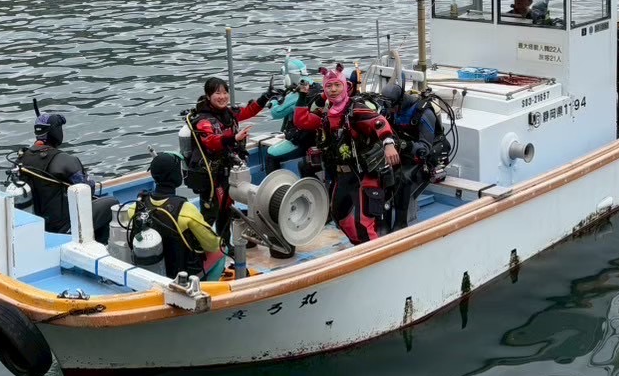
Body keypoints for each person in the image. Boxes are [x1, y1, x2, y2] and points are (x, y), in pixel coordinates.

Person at [290, 68, 401, 244]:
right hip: (342, 174)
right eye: (329, 86)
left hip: (364, 174)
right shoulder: (327, 113)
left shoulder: (355, 109)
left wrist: (388, 144)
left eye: (337, 85)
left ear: (346, 86)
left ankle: (373, 252)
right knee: (339, 215)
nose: (333, 90)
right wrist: (303, 96)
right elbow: (302, 121)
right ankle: (359, 247)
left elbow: (378, 121)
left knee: (363, 223)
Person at [183, 76, 277, 226]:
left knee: (227, 209)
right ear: (208, 96)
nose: (222, 97)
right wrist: (234, 137)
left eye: (225, 92)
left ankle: (225, 238)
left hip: (228, 169)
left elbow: (249, 111)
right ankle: (206, 239)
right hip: (212, 175)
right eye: (217, 93)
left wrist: (266, 96)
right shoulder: (203, 120)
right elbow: (211, 141)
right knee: (212, 212)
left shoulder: (228, 113)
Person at [125, 152, 226, 280]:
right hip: (181, 276)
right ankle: (205, 287)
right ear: (175, 176)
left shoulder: (135, 208)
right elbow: (212, 245)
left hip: (152, 271)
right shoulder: (185, 210)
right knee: (222, 248)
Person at [14, 111, 116, 237]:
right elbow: (88, 190)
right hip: (63, 226)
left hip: (37, 227)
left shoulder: (20, 159)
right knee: (112, 203)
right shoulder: (65, 160)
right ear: (56, 132)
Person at [378, 82, 442, 232]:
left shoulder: (423, 112)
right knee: (381, 173)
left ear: (400, 102)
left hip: (423, 157)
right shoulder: (389, 111)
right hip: (400, 154)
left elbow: (425, 147)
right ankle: (383, 223)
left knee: (402, 178)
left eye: (392, 107)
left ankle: (400, 223)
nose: (390, 111)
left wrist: (404, 145)